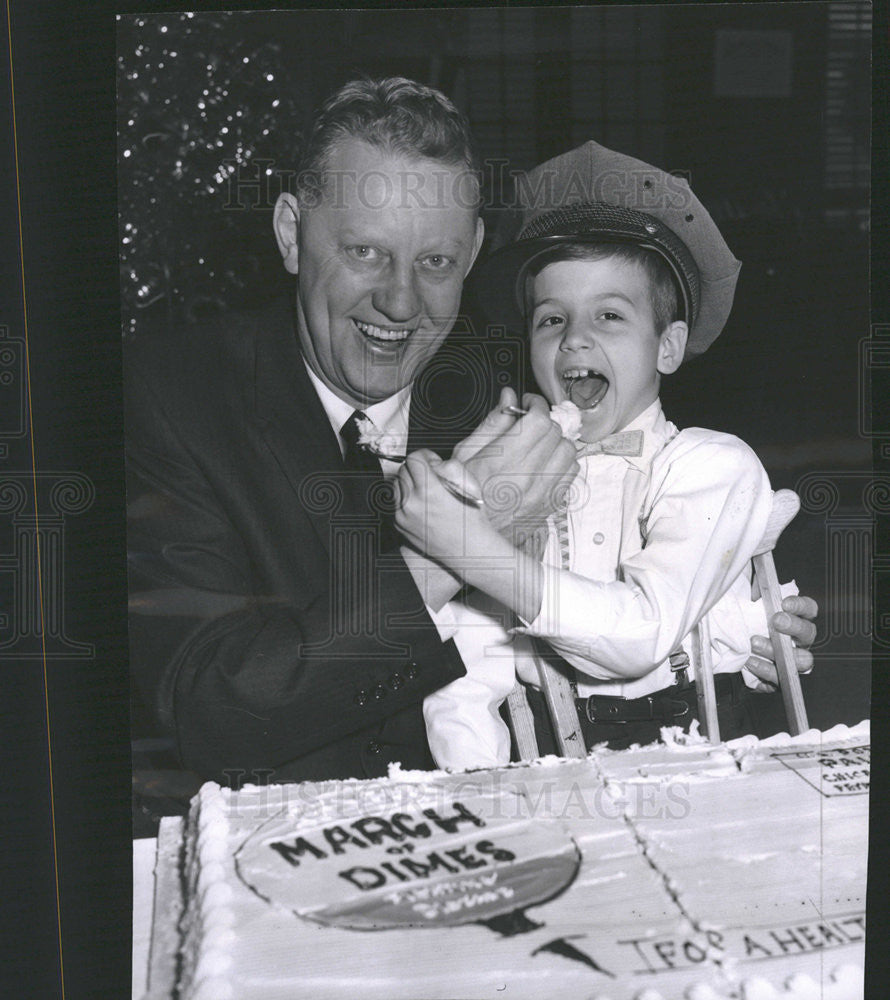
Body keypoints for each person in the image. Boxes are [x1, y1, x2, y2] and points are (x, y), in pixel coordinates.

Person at [126, 78, 815, 786]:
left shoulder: (519, 390)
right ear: (291, 233)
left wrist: (720, 632)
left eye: (436, 263)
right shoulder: (172, 395)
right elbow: (204, 708)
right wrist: (454, 548)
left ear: (475, 249)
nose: (399, 300)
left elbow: (615, 597)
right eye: (365, 252)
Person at [395, 140, 816, 769]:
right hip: (554, 764)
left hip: (700, 753)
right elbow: (465, 674)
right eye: (550, 319)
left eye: (610, 315)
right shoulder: (506, 476)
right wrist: (480, 788)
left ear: (667, 348)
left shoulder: (708, 466)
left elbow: (642, 632)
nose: (575, 339)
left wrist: (471, 548)